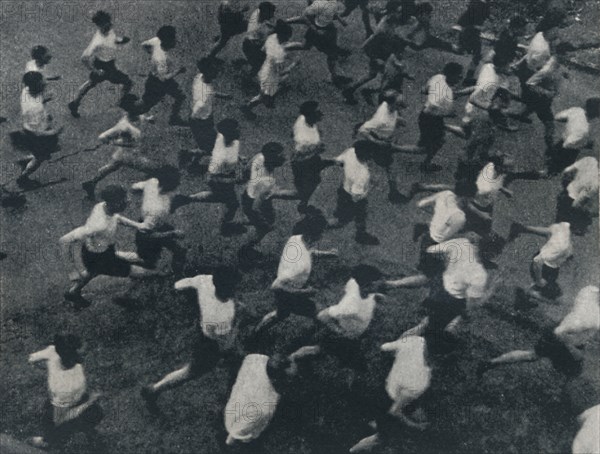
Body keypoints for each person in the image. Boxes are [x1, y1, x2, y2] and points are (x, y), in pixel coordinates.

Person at [140, 267, 240, 413]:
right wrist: (238, 322)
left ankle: (232, 395)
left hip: (206, 332)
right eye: (234, 287)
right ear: (227, 288)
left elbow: (180, 284)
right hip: (211, 345)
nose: (237, 289)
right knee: (191, 372)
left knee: (235, 365)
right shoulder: (222, 316)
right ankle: (154, 390)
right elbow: (225, 345)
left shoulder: (205, 281)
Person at [59, 185, 163, 307]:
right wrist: (72, 272)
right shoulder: (98, 225)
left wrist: (137, 225)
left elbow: (116, 217)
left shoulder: (102, 206)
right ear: (114, 203)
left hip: (99, 252)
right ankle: (158, 274)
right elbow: (64, 241)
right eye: (124, 200)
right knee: (141, 272)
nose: (128, 201)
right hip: (101, 259)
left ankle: (73, 293)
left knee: (93, 272)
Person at [478, 285, 599, 378]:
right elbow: (559, 332)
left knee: (533, 356)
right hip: (561, 337)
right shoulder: (587, 318)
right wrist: (572, 348)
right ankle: (491, 363)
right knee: (573, 367)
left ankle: (491, 362)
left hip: (569, 333)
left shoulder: (590, 291)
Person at [387, 236, 489, 339]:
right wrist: (490, 292)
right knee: (424, 327)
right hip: (449, 299)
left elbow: (432, 250)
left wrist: (447, 261)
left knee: (426, 324)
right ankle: (397, 345)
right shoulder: (480, 273)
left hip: (439, 287)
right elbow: (471, 304)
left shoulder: (462, 243)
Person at [255, 207, 338, 332]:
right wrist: (304, 292)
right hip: (288, 294)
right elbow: (276, 286)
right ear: (315, 234)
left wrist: (326, 254)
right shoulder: (299, 266)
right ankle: (323, 339)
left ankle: (256, 333)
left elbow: (308, 252)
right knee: (320, 313)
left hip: (289, 290)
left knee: (281, 314)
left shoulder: (297, 239)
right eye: (322, 232)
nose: (323, 235)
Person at [224, 345, 320, 446]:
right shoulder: (265, 406)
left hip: (241, 398)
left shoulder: (253, 359)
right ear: (278, 379)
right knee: (241, 432)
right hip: (241, 416)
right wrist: (239, 434)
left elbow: (283, 363)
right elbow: (259, 421)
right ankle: (234, 438)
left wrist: (298, 354)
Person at [349, 335, 431, 452]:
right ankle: (353, 450)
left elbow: (386, 347)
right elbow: (394, 411)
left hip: (395, 391)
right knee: (381, 438)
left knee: (418, 414)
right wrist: (415, 425)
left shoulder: (417, 342)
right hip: (388, 401)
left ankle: (375, 423)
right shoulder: (418, 379)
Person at [27, 334, 103, 449]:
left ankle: (50, 439)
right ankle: (51, 438)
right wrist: (90, 401)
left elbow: (32, 358)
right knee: (89, 413)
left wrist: (87, 403)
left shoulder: (53, 354)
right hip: (65, 404)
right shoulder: (53, 354)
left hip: (71, 401)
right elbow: (31, 358)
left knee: (92, 413)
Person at [81, 94, 158, 200]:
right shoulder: (124, 125)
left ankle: (91, 183)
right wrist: (116, 143)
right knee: (153, 169)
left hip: (124, 153)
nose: (142, 107)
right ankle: (147, 190)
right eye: (139, 106)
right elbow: (102, 137)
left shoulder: (136, 116)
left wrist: (148, 119)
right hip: (129, 155)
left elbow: (141, 117)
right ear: (132, 109)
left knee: (111, 166)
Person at [391, 62, 465, 171]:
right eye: (459, 75)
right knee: (427, 147)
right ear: (451, 75)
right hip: (431, 120)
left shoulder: (438, 77)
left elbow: (424, 89)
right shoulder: (445, 93)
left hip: (429, 119)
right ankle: (395, 148)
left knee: (437, 141)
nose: (461, 78)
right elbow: (428, 110)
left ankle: (425, 161)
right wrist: (448, 113)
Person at [119, 166, 188, 277]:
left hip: (157, 225)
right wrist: (172, 234)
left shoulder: (152, 182)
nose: (179, 183)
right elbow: (147, 235)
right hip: (149, 232)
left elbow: (135, 187)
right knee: (146, 262)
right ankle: (117, 256)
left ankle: (178, 276)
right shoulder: (156, 209)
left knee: (179, 250)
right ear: (168, 184)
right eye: (176, 182)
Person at [511, 10, 565, 149]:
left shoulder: (540, 36)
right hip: (535, 79)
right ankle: (551, 147)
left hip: (528, 71)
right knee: (548, 121)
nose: (558, 32)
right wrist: (547, 91)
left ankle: (519, 114)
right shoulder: (543, 52)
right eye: (557, 29)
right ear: (550, 29)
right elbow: (538, 74)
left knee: (530, 102)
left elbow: (529, 55)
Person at [68, 11, 132, 118]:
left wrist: (119, 41)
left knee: (127, 83)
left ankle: (74, 103)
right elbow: (84, 58)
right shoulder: (97, 41)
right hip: (101, 65)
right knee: (91, 84)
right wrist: (95, 71)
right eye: (107, 23)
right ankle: (74, 104)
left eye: (109, 21)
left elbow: (112, 39)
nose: (110, 24)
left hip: (110, 65)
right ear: (100, 25)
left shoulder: (109, 29)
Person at [186, 119, 245, 235]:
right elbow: (210, 178)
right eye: (237, 129)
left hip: (227, 173)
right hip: (220, 179)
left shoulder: (227, 139)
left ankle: (188, 198)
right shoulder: (221, 157)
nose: (240, 130)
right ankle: (225, 227)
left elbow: (232, 152)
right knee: (232, 204)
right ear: (230, 133)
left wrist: (239, 158)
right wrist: (234, 180)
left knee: (218, 197)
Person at [240, 142, 297, 254]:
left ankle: (248, 222)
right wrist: (264, 224)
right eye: (281, 156)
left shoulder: (260, 157)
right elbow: (255, 207)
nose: (284, 157)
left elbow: (246, 170)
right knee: (264, 227)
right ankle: (245, 250)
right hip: (254, 202)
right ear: (273, 160)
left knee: (267, 218)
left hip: (249, 195)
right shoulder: (266, 182)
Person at [241, 20, 302, 119]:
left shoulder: (272, 37)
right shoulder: (279, 53)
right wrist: (294, 64)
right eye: (288, 36)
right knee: (263, 94)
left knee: (274, 86)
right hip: (270, 76)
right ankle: (248, 107)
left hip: (266, 67)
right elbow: (281, 71)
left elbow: (263, 50)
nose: (288, 38)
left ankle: (268, 99)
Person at [355, 90, 407, 202]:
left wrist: (397, 120)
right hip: (379, 142)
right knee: (391, 168)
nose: (402, 106)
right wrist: (376, 142)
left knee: (376, 166)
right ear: (391, 103)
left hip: (383, 139)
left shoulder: (388, 106)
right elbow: (363, 130)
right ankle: (393, 193)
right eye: (399, 104)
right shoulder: (381, 119)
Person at [180, 58, 231, 169]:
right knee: (208, 147)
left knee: (208, 142)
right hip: (201, 121)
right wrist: (195, 120)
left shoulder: (199, 77)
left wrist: (223, 96)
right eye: (215, 70)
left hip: (204, 118)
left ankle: (193, 159)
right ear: (209, 72)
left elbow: (209, 92)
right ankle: (189, 155)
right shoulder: (204, 96)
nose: (217, 72)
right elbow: (199, 106)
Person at [286, 0, 352, 86]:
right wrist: (313, 28)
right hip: (319, 30)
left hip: (328, 29)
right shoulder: (319, 4)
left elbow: (332, 12)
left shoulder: (333, 3)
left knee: (327, 52)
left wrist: (340, 19)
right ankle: (283, 47)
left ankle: (333, 76)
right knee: (310, 47)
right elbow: (304, 17)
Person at [14, 72, 62, 188]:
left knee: (42, 153)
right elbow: (36, 132)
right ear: (36, 86)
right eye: (42, 83)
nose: (45, 83)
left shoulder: (27, 90)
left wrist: (44, 101)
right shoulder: (34, 108)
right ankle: (23, 178)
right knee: (40, 158)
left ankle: (28, 159)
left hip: (34, 127)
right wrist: (54, 132)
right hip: (37, 135)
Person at [328, 140, 380, 245]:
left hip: (343, 190)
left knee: (360, 216)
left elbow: (338, 161)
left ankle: (360, 234)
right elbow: (356, 196)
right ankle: (318, 224)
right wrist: (372, 186)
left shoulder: (350, 152)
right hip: (352, 199)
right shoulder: (362, 174)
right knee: (343, 221)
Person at [508, 221, 573, 301]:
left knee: (555, 291)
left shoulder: (564, 226)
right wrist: (539, 280)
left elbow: (549, 232)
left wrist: (524, 229)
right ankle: (529, 293)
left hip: (550, 265)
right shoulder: (560, 245)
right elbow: (537, 261)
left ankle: (533, 291)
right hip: (543, 266)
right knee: (555, 296)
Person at [291, 101, 335, 213]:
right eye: (317, 112)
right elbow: (299, 157)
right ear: (311, 115)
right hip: (303, 163)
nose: (321, 113)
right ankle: (301, 200)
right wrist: (316, 150)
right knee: (310, 184)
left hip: (311, 157)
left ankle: (303, 200)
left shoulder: (303, 119)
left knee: (314, 180)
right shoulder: (304, 140)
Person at [137, 26, 187, 126]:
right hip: (156, 84)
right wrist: (178, 71)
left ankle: (174, 118)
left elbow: (143, 44)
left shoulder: (156, 41)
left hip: (162, 80)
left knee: (180, 96)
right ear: (167, 41)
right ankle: (130, 113)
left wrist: (150, 52)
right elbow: (163, 79)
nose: (176, 40)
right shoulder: (161, 58)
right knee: (146, 106)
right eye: (173, 38)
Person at [546, 98, 600, 175]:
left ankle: (552, 164)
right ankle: (552, 171)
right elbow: (568, 144)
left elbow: (558, 117)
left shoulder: (577, 110)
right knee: (562, 166)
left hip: (563, 140)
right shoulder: (585, 129)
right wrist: (585, 144)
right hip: (570, 149)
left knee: (556, 158)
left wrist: (570, 121)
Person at [556, 156, 598, 235]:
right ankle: (574, 225)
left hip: (567, 190)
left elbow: (567, 170)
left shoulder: (590, 160)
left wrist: (565, 183)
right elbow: (577, 203)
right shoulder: (596, 183)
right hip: (573, 199)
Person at [455, 0, 491, 85]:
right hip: (470, 33)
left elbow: (463, 19)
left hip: (470, 33)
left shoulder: (481, 4)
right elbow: (467, 20)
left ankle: (467, 77)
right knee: (475, 55)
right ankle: (466, 77)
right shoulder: (481, 5)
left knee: (474, 55)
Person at [242, 2, 276, 77]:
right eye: (271, 13)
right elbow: (263, 39)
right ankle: (248, 77)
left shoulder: (257, 12)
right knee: (260, 63)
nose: (273, 15)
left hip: (248, 42)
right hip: (251, 46)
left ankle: (251, 71)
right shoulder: (260, 28)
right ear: (265, 13)